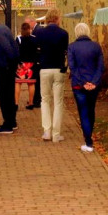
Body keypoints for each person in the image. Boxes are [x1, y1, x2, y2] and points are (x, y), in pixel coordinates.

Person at [67, 23, 104, 153]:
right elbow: (100, 67)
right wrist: (93, 82)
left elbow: (73, 67)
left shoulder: (72, 47)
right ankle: (89, 136)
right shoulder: (96, 47)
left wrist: (83, 82)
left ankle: (88, 141)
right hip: (93, 84)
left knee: (83, 112)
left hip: (78, 84)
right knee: (91, 110)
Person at [36, 8, 68, 143]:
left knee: (45, 100)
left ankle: (47, 131)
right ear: (58, 19)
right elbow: (65, 51)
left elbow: (37, 50)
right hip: (59, 69)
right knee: (58, 102)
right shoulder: (63, 34)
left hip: (44, 69)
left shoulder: (40, 33)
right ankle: (56, 134)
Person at [15, 22, 38, 110]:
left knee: (18, 83)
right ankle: (31, 103)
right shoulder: (34, 39)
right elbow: (37, 51)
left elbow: (16, 52)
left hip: (21, 64)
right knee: (31, 84)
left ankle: (16, 104)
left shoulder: (18, 39)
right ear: (29, 29)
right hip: (31, 65)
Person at [25, 15, 41, 108]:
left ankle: (36, 100)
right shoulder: (36, 30)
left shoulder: (37, 31)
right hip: (35, 60)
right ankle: (35, 99)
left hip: (36, 60)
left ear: (31, 22)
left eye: (27, 23)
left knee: (36, 81)